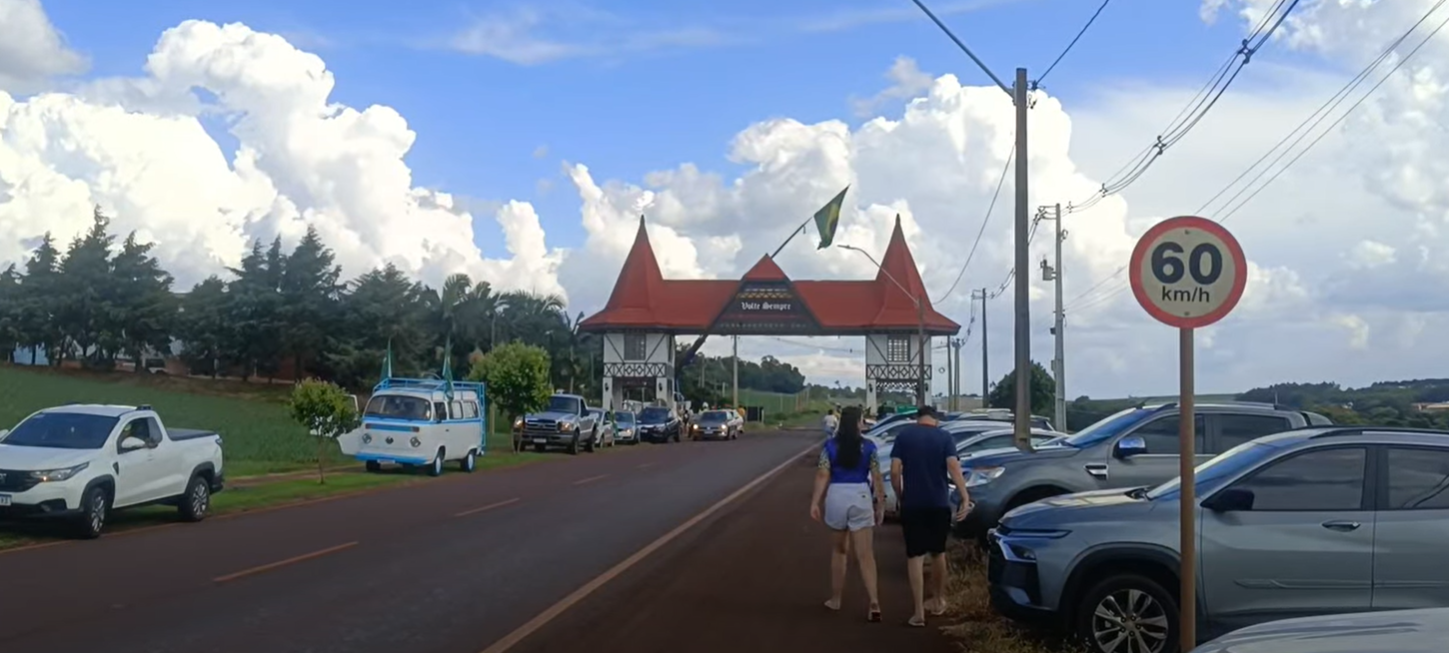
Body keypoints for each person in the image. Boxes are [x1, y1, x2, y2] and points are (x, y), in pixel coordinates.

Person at [890, 405, 971, 627]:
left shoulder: (904, 436)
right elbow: (953, 466)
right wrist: (964, 495)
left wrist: (900, 495)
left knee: (914, 556)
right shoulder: (944, 437)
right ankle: (938, 600)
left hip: (912, 504)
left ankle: (918, 612)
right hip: (938, 503)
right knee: (938, 552)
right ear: (935, 419)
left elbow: (895, 470)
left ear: (918, 419)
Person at [809, 405, 885, 622]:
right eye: (861, 420)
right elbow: (877, 477)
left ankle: (836, 598)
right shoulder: (869, 447)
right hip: (860, 495)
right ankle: (874, 602)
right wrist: (880, 503)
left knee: (839, 551)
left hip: (836, 495)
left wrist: (815, 502)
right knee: (866, 555)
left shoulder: (830, 446)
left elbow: (823, 474)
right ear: (858, 423)